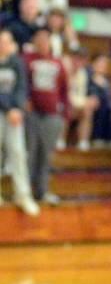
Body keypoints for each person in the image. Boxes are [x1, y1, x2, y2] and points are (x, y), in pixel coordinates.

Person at [24, 27, 69, 205]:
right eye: (39, 39)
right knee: (30, 154)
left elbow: (65, 89)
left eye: (45, 39)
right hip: (32, 114)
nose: (42, 42)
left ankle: (42, 191)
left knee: (46, 156)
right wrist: (25, 100)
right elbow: (22, 83)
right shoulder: (27, 60)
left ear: (50, 41)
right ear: (34, 41)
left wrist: (64, 112)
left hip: (52, 115)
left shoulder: (58, 63)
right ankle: (26, 192)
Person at [0, 29, 39, 215]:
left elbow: (22, 88)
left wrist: (17, 109)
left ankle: (23, 195)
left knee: (18, 153)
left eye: (6, 41)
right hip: (5, 112)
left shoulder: (17, 63)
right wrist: (9, 108)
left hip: (14, 115)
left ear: (12, 44)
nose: (2, 45)